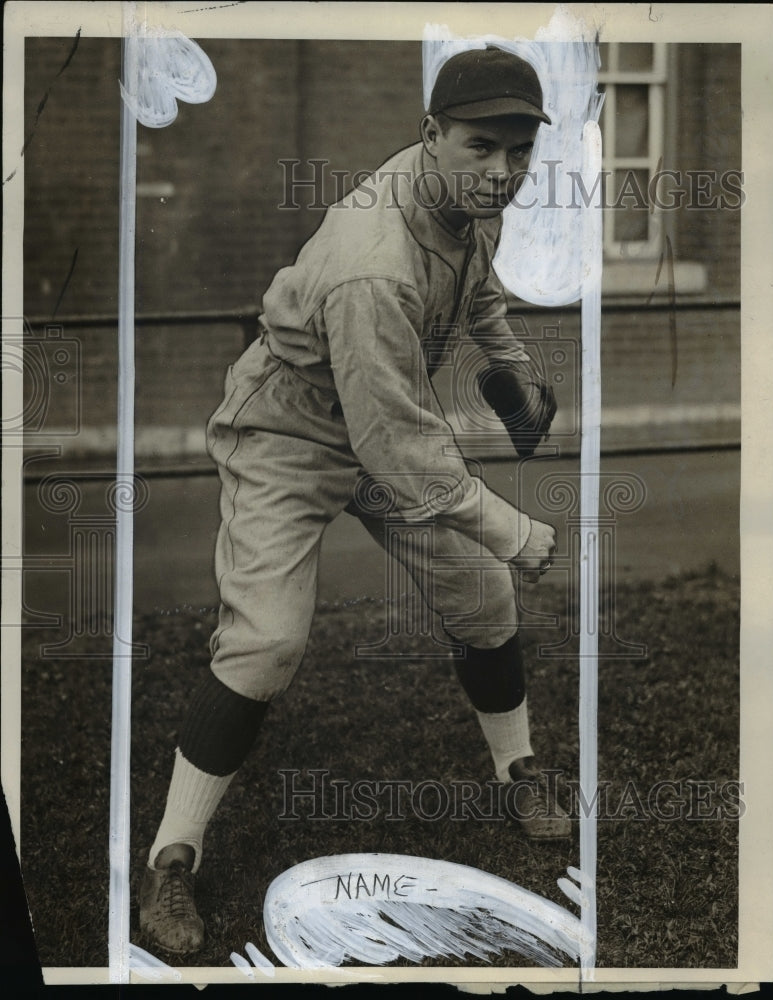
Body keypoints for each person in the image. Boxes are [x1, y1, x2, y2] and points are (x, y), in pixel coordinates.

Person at [139, 45, 570, 956]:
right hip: (292, 426)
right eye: (481, 147)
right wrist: (511, 525)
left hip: (384, 415)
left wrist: (513, 374)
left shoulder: (464, 200)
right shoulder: (374, 263)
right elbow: (399, 448)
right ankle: (171, 855)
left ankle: (517, 767)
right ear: (431, 135)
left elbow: (479, 292)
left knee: (482, 595)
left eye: (519, 152)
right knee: (266, 644)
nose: (502, 172)